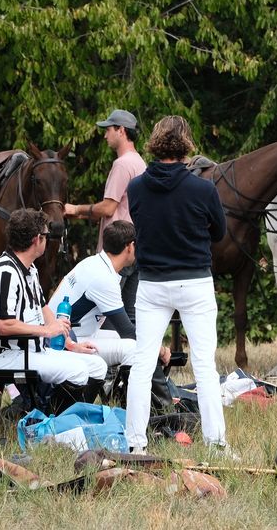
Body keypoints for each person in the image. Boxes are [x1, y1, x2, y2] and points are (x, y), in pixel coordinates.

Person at [124, 116, 229, 456]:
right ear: (187, 145)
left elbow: (142, 224)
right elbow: (220, 233)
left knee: (142, 365)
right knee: (204, 365)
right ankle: (216, 443)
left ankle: (135, 445)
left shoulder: (136, 187)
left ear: (154, 144)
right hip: (195, 281)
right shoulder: (203, 189)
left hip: (152, 284)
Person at [0, 208, 108, 412]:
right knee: (77, 371)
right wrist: (46, 331)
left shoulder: (30, 269)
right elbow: (3, 325)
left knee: (97, 366)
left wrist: (68, 343)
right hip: (6, 355)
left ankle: (63, 416)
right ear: (37, 239)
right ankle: (52, 423)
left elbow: (43, 307)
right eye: (46, 236)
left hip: (32, 351)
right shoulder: (5, 272)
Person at [47, 220, 173, 405]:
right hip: (64, 341)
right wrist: (159, 349)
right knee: (134, 347)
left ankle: (126, 398)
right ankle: (155, 406)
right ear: (130, 246)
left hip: (65, 334)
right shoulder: (103, 278)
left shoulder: (93, 263)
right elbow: (127, 331)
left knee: (125, 340)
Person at [64, 109, 146, 322]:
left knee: (108, 316)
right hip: (134, 247)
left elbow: (109, 208)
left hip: (117, 250)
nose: (105, 135)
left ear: (121, 131)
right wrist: (87, 215)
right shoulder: (139, 162)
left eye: (108, 129)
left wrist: (76, 209)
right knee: (130, 313)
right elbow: (124, 208)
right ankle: (134, 355)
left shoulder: (122, 164)